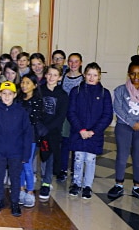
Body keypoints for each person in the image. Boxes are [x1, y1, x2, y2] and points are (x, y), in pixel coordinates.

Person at [108, 55, 139, 202]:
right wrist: (132, 123)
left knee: (138, 157)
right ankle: (118, 184)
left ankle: (137, 187)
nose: (136, 76)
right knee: (122, 156)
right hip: (124, 126)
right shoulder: (120, 90)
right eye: (133, 73)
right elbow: (118, 109)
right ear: (128, 74)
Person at [67, 62, 113, 199]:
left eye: (95, 75)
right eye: (89, 74)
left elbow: (107, 115)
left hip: (95, 133)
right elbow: (71, 112)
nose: (91, 78)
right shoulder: (76, 91)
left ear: (99, 77)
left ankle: (87, 185)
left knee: (90, 159)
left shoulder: (105, 93)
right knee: (79, 158)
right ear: (84, 75)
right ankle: (76, 183)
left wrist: (93, 131)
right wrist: (80, 129)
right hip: (78, 132)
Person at [0, 81, 32, 217]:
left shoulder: (21, 112)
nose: (6, 96)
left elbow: (27, 134)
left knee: (15, 178)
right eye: (4, 93)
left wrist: (26, 154)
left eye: (10, 94)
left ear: (15, 95)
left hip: (16, 152)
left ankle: (15, 202)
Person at [38, 65, 69, 201]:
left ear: (60, 77)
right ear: (45, 75)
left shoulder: (62, 95)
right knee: (38, 154)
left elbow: (61, 116)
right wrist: (39, 126)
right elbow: (35, 109)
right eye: (49, 74)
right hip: (39, 128)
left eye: (55, 75)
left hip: (53, 130)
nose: (51, 77)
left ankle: (46, 181)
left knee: (49, 155)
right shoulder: (40, 91)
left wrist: (48, 128)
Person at [18, 73, 44, 208]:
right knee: (20, 164)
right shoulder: (18, 99)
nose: (24, 85)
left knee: (27, 163)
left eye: (28, 83)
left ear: (34, 85)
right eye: (22, 82)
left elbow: (33, 119)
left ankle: (30, 191)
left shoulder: (38, 101)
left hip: (30, 137)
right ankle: (21, 190)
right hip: (17, 136)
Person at [58, 52, 83, 181]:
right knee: (64, 142)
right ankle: (62, 169)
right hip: (64, 114)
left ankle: (75, 169)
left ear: (80, 63)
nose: (73, 64)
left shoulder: (84, 79)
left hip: (78, 115)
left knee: (75, 142)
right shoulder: (62, 77)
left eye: (76, 61)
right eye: (71, 61)